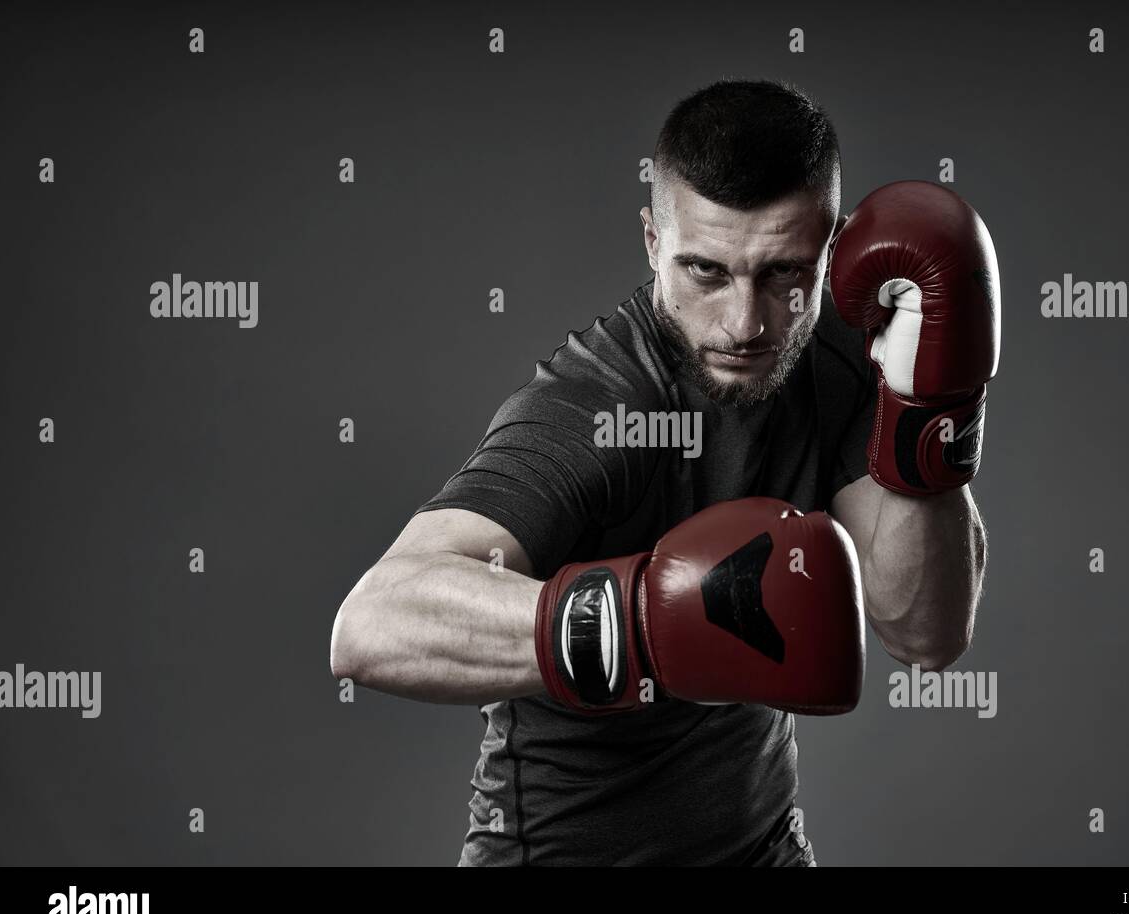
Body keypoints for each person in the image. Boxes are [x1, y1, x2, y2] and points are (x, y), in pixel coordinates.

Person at [330, 78, 998, 866]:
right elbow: (371, 626)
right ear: (653, 241)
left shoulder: (844, 360)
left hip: (762, 851)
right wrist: (644, 620)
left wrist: (927, 405)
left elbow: (924, 632)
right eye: (706, 272)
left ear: (836, 244)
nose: (745, 323)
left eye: (785, 273)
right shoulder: (598, 405)